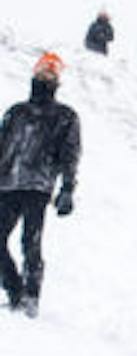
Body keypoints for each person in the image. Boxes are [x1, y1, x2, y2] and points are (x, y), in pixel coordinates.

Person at [0, 52, 82, 318]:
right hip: (7, 183)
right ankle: (15, 291)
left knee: (30, 242)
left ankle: (31, 297)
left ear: (57, 80)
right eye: (42, 71)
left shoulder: (65, 116)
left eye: (51, 73)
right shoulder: (16, 112)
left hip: (38, 184)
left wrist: (67, 188)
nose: (45, 76)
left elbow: (70, 154)